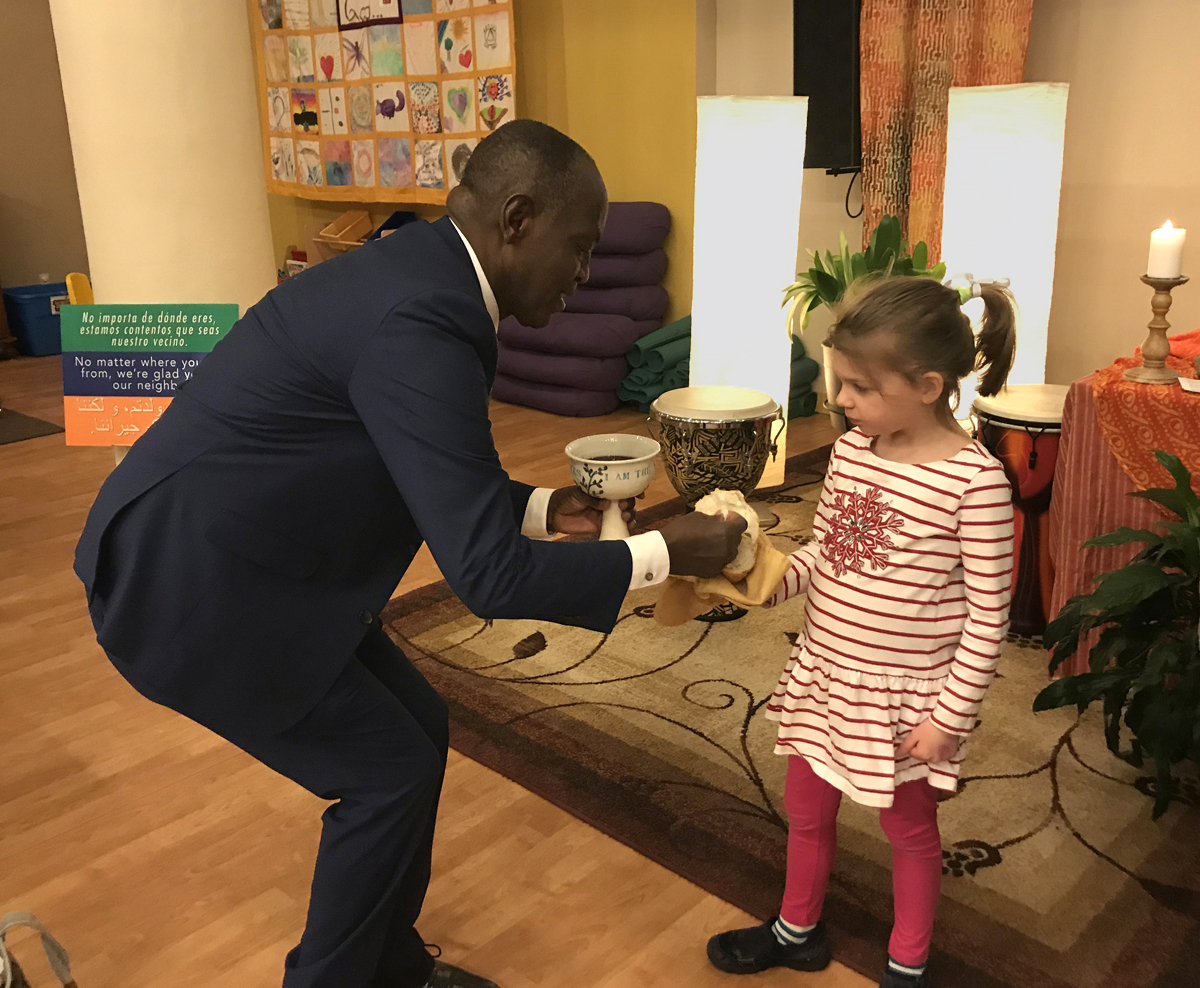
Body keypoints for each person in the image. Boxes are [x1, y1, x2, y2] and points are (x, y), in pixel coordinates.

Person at [74, 119, 746, 988]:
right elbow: (489, 577)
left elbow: (420, 463)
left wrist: (544, 506)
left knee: (418, 729)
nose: (583, 274)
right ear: (517, 219)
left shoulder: (419, 277)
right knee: (385, 774)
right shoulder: (424, 318)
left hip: (246, 558)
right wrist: (663, 553)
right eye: (579, 248)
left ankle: (389, 966)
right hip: (189, 591)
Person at [705, 277, 1017, 988]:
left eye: (860, 387)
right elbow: (829, 551)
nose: (841, 399)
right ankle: (796, 930)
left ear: (928, 386)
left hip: (908, 702)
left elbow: (988, 619)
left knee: (909, 831)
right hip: (824, 675)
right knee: (806, 810)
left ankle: (908, 963)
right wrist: (767, 578)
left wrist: (948, 719)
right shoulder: (852, 452)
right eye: (839, 380)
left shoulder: (976, 485)